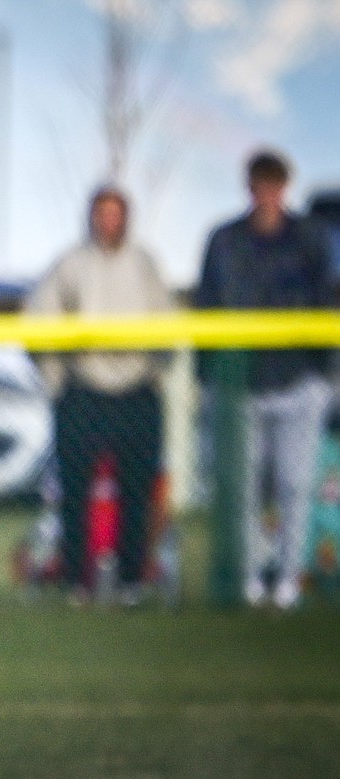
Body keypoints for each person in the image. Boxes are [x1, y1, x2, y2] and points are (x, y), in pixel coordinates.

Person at [194, 148, 335, 610]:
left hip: (299, 380)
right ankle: (252, 577)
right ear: (249, 188)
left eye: (275, 187)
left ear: (285, 188)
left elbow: (327, 302)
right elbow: (207, 307)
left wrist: (325, 376)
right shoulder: (225, 240)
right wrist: (207, 376)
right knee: (245, 487)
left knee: (296, 485)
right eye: (260, 187)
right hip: (242, 384)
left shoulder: (311, 238)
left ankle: (290, 579)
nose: (268, 196)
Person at [23, 185, 174, 607]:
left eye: (116, 212)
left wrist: (154, 375)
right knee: (73, 492)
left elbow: (168, 325)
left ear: (127, 217)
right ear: (90, 216)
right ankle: (76, 583)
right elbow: (38, 321)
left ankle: (131, 583)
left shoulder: (146, 264)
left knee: (138, 492)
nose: (108, 220)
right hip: (83, 391)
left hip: (136, 392)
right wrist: (56, 381)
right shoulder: (70, 263)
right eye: (101, 212)